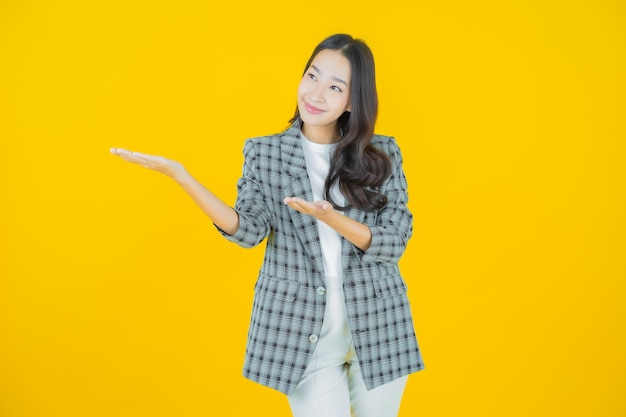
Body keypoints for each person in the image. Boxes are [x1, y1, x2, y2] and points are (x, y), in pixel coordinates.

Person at [111, 33, 424, 417]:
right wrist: (184, 179)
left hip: (379, 323)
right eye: (312, 75)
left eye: (335, 87)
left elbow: (394, 242)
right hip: (301, 329)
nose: (316, 93)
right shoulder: (264, 152)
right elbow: (248, 230)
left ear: (351, 101)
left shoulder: (382, 153)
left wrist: (332, 218)